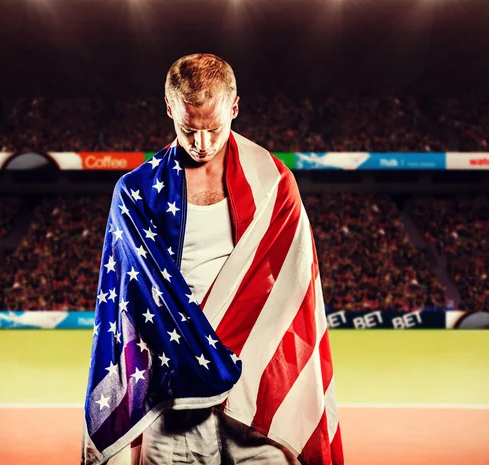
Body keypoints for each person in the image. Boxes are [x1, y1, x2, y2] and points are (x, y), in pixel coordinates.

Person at [82, 54, 343, 465]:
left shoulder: (273, 183)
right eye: (189, 129)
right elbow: (125, 306)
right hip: (174, 398)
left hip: (254, 392)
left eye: (214, 128)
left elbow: (297, 293)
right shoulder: (135, 193)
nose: (201, 143)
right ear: (169, 109)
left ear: (235, 108)